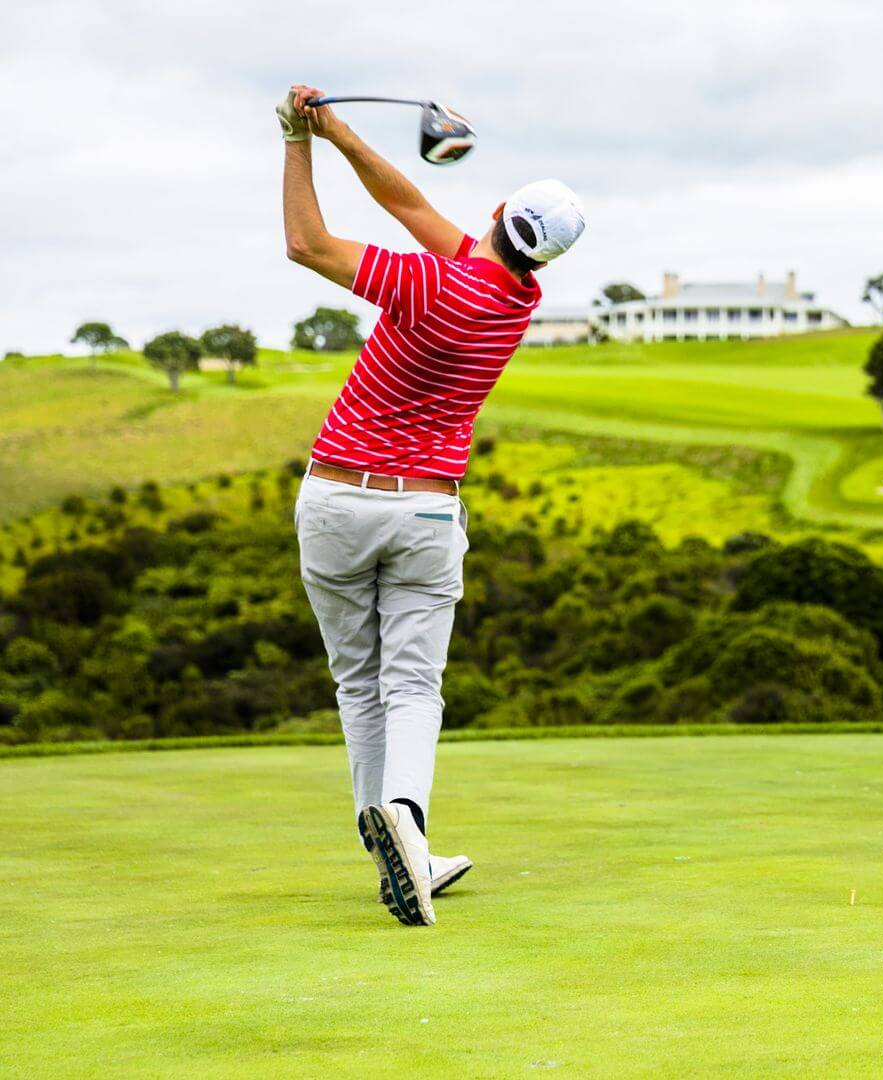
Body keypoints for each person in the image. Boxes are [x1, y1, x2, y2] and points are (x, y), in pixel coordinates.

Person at [277, 86, 585, 926]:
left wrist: (298, 139)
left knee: (360, 683)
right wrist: (337, 129)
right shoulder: (516, 301)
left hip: (337, 498)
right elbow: (408, 200)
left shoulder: (423, 283)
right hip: (424, 516)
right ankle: (405, 827)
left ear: (493, 211)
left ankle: (394, 848)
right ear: (545, 260)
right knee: (413, 684)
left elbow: (306, 243)